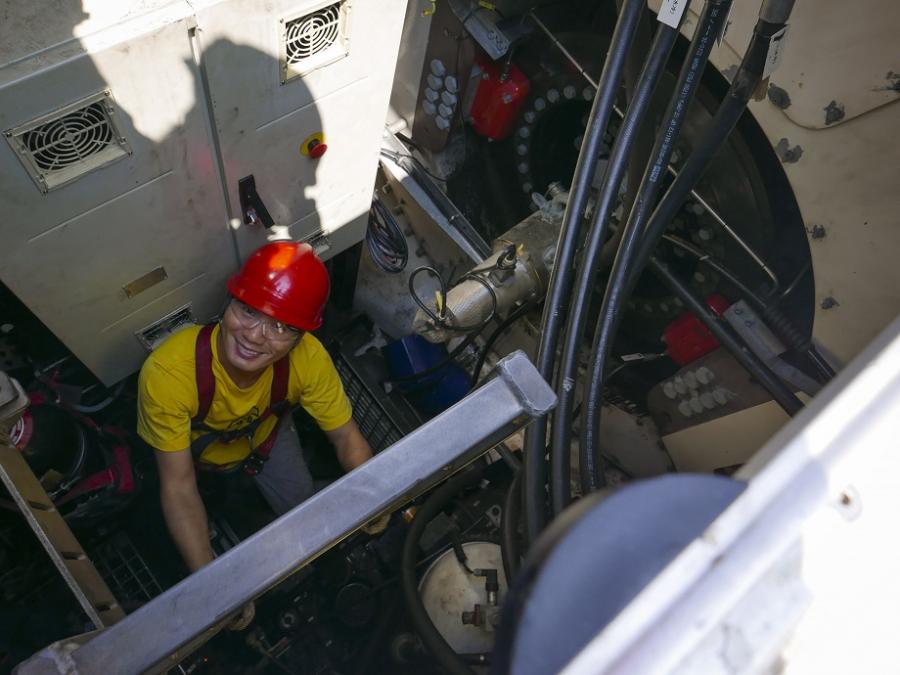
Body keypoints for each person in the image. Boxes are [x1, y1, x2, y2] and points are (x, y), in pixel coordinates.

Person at [137, 242, 374, 613]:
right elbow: (179, 486)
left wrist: (375, 499)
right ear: (228, 303)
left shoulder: (308, 360)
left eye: (281, 326)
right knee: (192, 514)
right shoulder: (170, 373)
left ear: (300, 338)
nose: (254, 335)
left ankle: (322, 563)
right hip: (197, 458)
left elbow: (345, 436)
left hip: (267, 440)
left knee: (303, 506)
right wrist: (214, 590)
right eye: (247, 311)